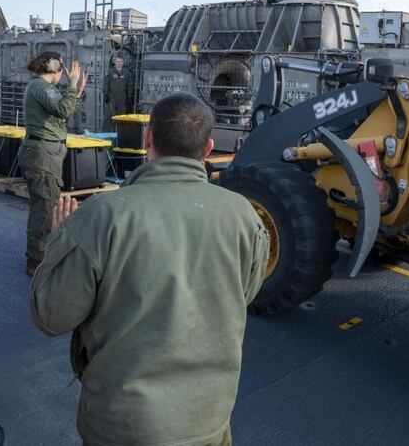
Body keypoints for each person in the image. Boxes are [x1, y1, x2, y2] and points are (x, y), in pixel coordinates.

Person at [30, 92, 270, 446]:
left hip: (124, 426)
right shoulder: (245, 215)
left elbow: (52, 316)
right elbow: (244, 293)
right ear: (208, 148)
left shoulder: (100, 216)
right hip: (209, 420)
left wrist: (58, 243)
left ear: (147, 138)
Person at [18, 52, 87, 275]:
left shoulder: (41, 88)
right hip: (43, 155)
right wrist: (73, 84)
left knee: (44, 206)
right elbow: (63, 110)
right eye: (62, 69)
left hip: (44, 153)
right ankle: (37, 261)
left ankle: (38, 256)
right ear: (54, 67)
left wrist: (76, 91)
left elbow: (61, 112)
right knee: (45, 209)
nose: (64, 73)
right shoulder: (41, 87)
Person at [103, 54, 132, 127]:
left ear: (123, 63)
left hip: (122, 100)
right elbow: (106, 84)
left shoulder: (127, 73)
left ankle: (120, 133)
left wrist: (129, 97)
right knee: (107, 118)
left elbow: (130, 86)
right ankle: (105, 133)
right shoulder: (110, 72)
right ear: (115, 62)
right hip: (111, 99)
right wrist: (106, 95)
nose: (119, 63)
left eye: (120, 62)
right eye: (118, 62)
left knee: (121, 119)